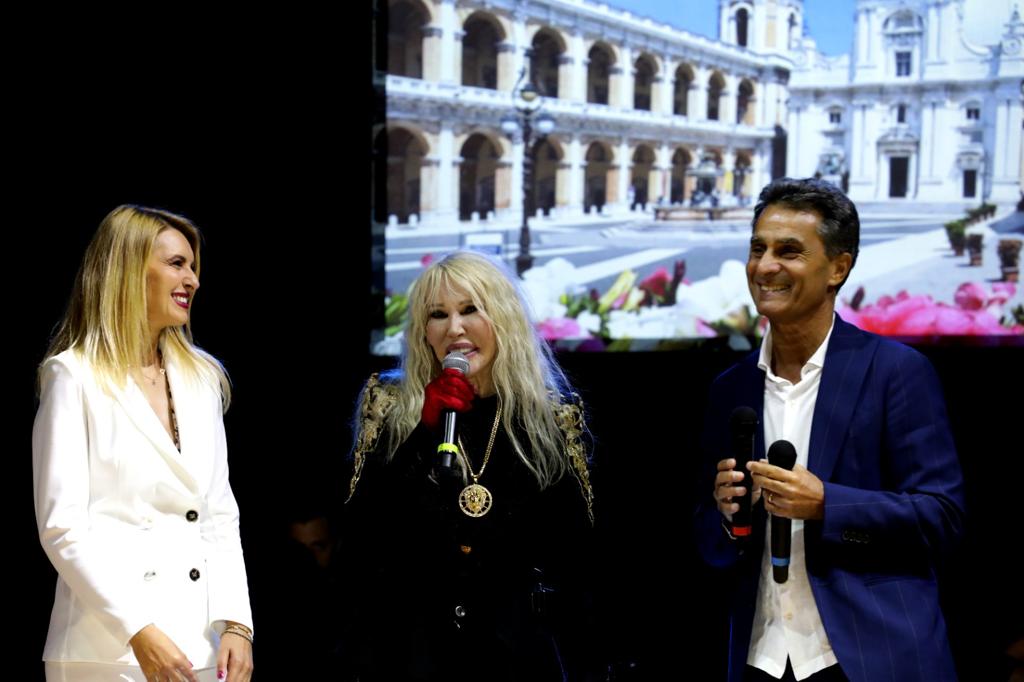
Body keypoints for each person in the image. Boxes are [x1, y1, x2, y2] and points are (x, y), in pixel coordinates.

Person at [694, 178, 965, 682]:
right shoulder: (729, 388)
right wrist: (728, 516)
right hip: (760, 660)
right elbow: (707, 543)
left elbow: (942, 518)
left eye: (788, 251)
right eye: (758, 249)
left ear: (838, 268)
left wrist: (826, 503)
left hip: (870, 659)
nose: (765, 266)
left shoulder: (895, 372)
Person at [335, 250, 595, 681]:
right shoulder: (389, 404)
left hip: (517, 654)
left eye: (470, 309)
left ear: (503, 318)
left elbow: (580, 551)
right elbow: (362, 540)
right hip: (414, 652)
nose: (454, 328)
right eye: (438, 315)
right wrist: (424, 431)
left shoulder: (551, 415)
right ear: (424, 332)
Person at [32, 205, 254, 682]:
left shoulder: (202, 377)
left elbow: (218, 511)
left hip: (199, 645)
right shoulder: (73, 375)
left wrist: (237, 624)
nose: (193, 280)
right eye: (177, 264)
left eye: (193, 266)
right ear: (129, 270)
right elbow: (62, 527)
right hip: (106, 649)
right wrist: (137, 629)